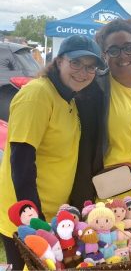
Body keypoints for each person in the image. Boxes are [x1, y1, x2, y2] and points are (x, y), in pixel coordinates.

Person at [0, 34, 105, 270]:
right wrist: (34, 221)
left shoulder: (69, 99)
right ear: (59, 61)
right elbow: (21, 163)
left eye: (90, 67)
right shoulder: (37, 95)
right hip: (27, 219)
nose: (82, 72)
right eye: (75, 63)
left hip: (54, 217)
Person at [70, 18, 131, 213]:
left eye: (128, 48)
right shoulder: (93, 90)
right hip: (104, 206)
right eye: (113, 50)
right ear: (104, 56)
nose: (122, 55)